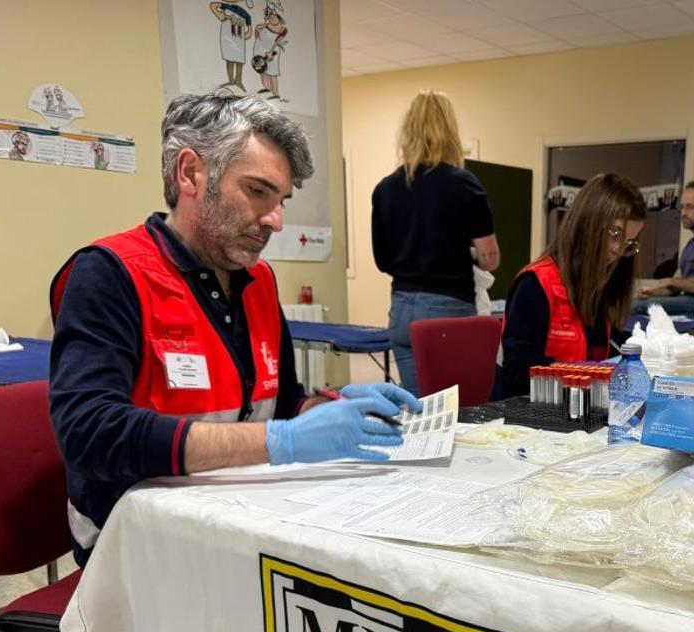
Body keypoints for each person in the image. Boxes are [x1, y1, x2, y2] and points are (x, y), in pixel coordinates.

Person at [50, 92, 420, 572]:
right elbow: (90, 435)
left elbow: (280, 404)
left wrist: (328, 408)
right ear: (190, 174)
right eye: (257, 191)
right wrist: (283, 440)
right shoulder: (110, 273)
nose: (276, 220)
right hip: (134, 535)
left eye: (281, 200)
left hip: (237, 512)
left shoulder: (258, 281)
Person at [371, 90, 499, 396]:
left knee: (420, 411)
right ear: (450, 131)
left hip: (401, 309)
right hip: (448, 311)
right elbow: (489, 258)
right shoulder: (464, 184)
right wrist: (463, 252)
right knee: (455, 411)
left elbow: (383, 261)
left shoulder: (385, 189)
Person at [501, 173, 646, 398]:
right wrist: (583, 375)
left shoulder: (599, 288)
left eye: (628, 243)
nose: (618, 250)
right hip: (533, 414)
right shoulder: (534, 284)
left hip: (579, 413)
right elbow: (517, 371)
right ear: (588, 223)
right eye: (615, 234)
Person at [633, 180, 694, 317]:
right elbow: (674, 287)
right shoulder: (692, 244)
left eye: (690, 207)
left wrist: (671, 281)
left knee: (636, 308)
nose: (684, 213)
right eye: (682, 207)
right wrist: (650, 293)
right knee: (634, 303)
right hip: (689, 299)